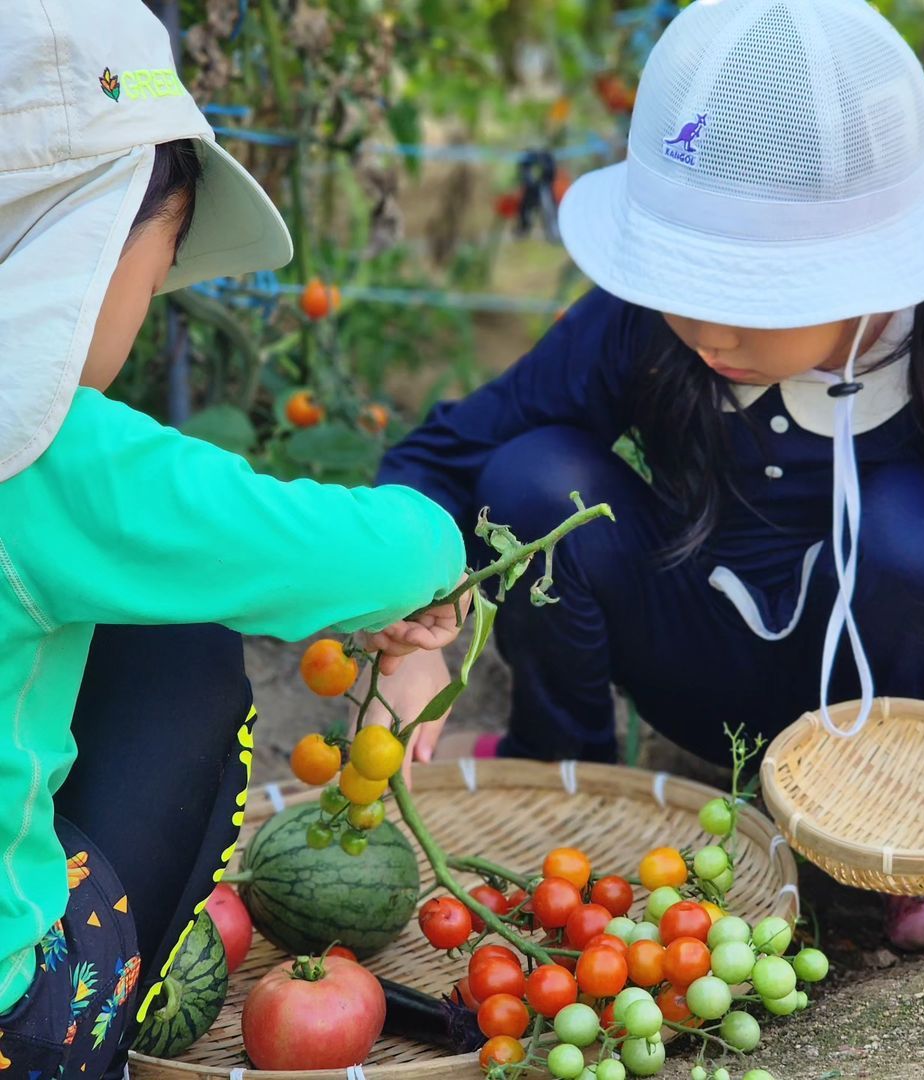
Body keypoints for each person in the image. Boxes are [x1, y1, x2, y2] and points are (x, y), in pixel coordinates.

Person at [374, 0, 924, 950]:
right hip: (699, 662)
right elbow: (450, 452)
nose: (710, 332)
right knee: (533, 477)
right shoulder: (641, 331)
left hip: (885, 724)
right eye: (685, 288)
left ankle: (914, 848)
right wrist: (412, 613)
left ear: (875, 272)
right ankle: (570, 764)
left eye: (750, 296)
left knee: (913, 540)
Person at [0, 5, 466, 1077]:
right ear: (94, 237)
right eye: (158, 268)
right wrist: (437, 555)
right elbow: (390, 555)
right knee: (188, 653)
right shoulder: (57, 459)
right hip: (14, 1031)